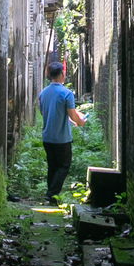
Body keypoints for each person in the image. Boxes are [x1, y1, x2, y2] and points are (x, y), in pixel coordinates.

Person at [38, 58, 85, 201]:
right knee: (64, 166)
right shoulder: (66, 93)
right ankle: (51, 194)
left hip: (47, 137)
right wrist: (80, 121)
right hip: (62, 138)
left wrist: (71, 120)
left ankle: (51, 194)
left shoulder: (43, 93)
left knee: (52, 166)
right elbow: (72, 114)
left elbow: (44, 113)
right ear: (62, 74)